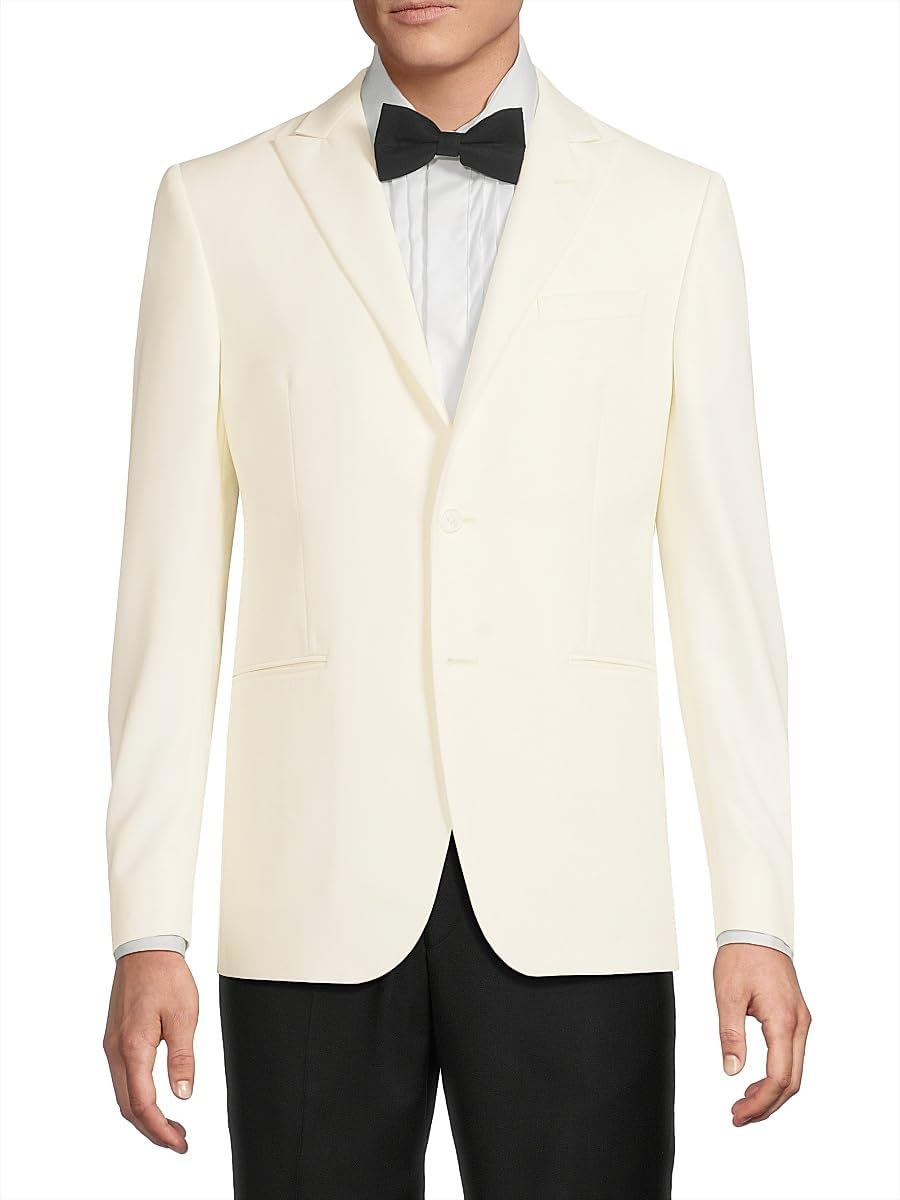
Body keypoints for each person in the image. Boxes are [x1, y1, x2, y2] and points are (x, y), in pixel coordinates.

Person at [102, 1, 812, 1196]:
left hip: (579, 892)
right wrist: (146, 927)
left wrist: (758, 913)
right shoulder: (216, 209)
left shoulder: (671, 213)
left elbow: (726, 593)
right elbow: (163, 600)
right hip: (309, 896)